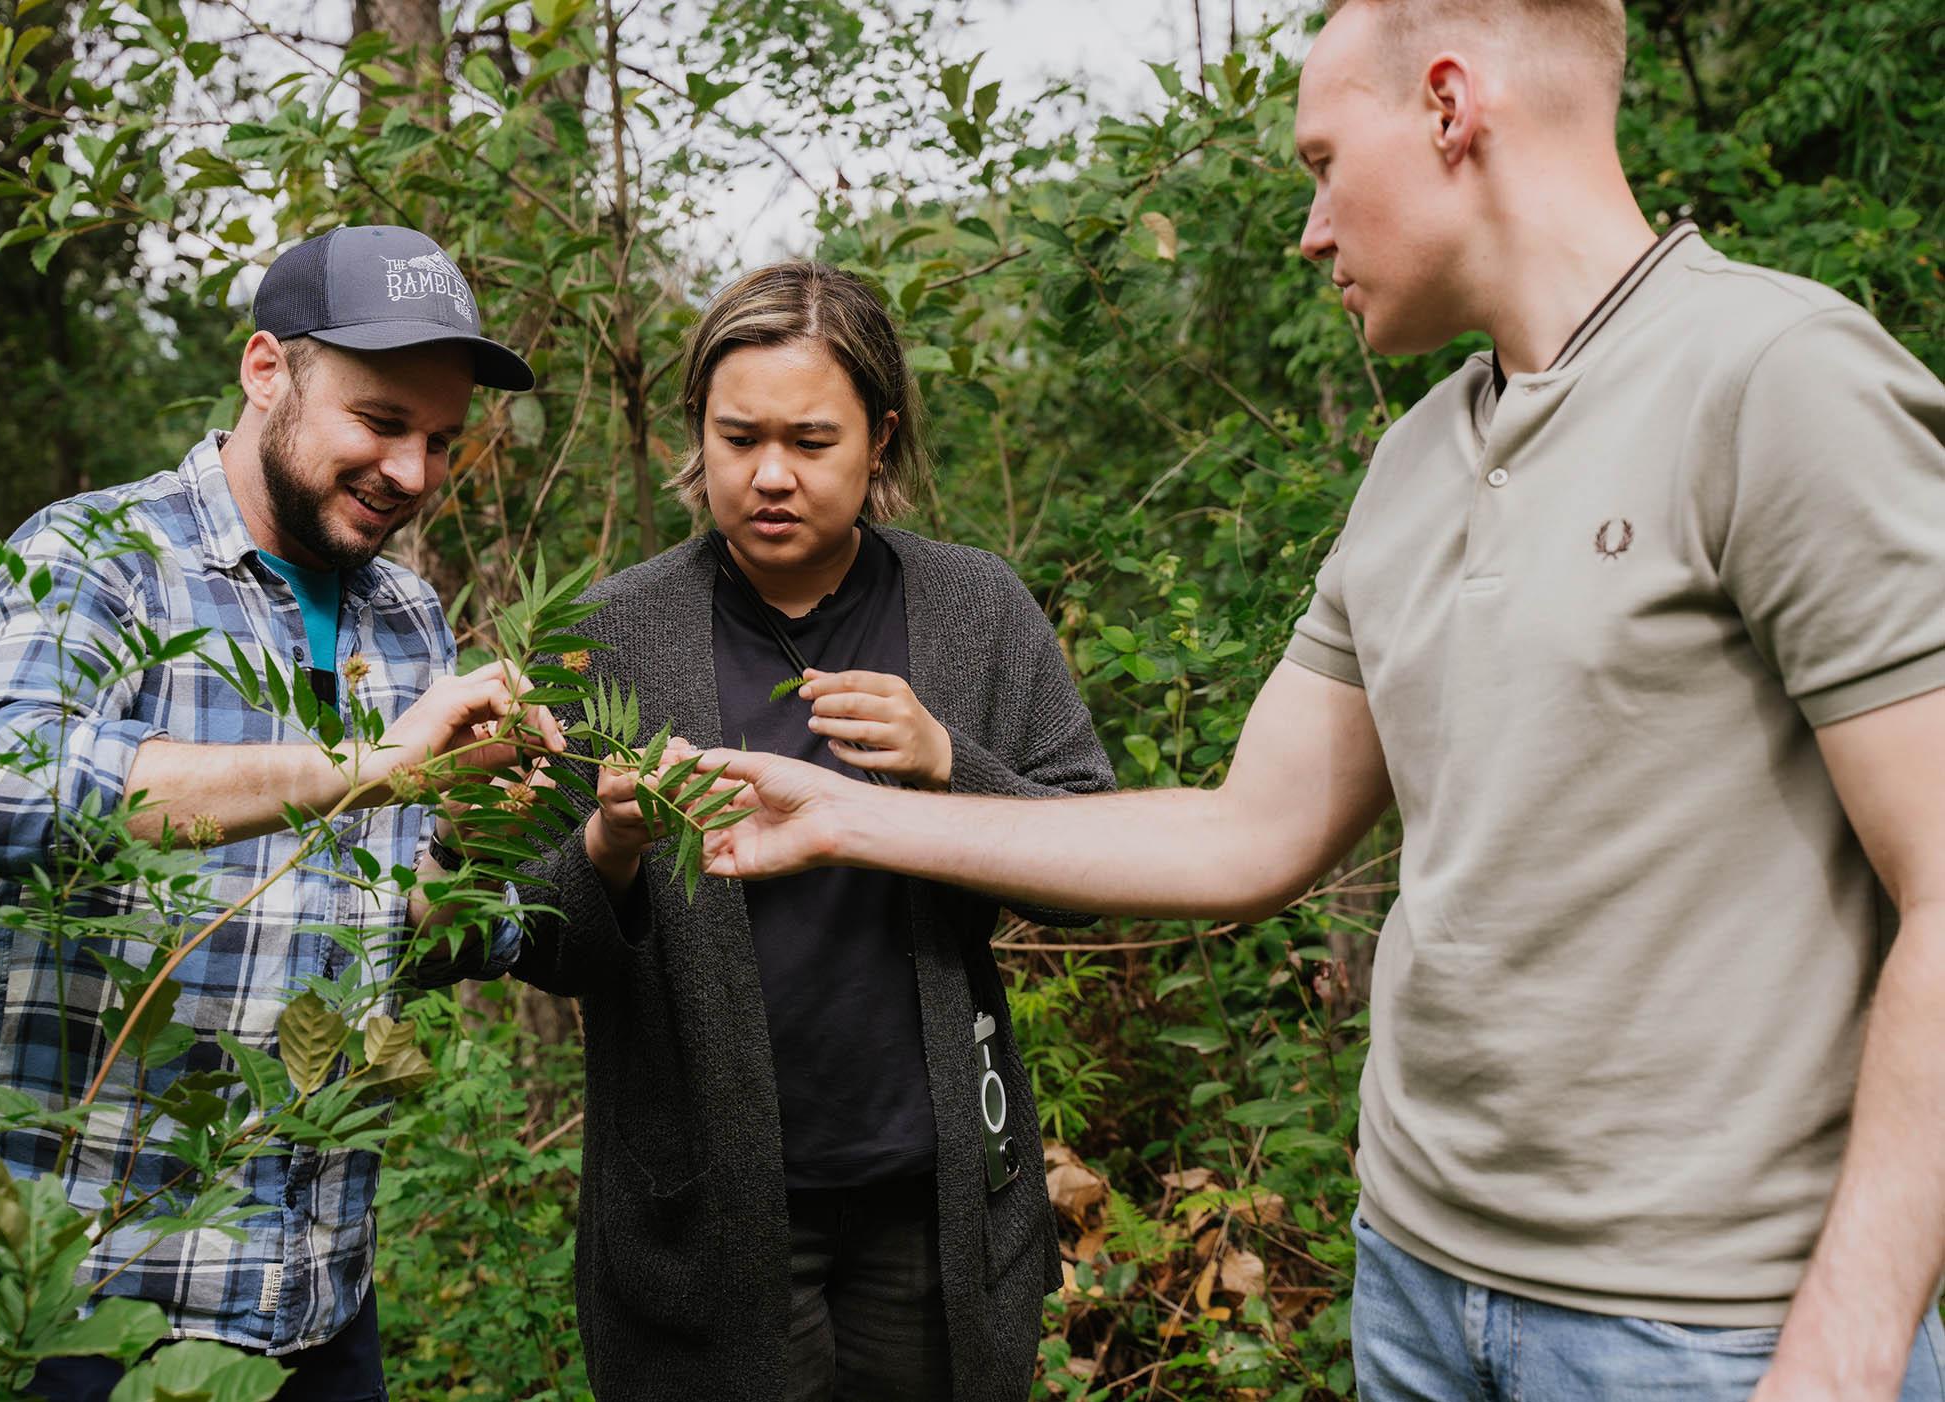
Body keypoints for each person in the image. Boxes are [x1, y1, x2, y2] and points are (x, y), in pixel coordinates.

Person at [693, 3, 1945, 1399]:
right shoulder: (1414, 457)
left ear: (1449, 107)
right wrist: (849, 811)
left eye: (1318, 159)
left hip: (1702, 1330)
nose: (1306, 226)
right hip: (1412, 1278)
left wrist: (1845, 1343)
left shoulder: (1777, 379)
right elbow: (1241, 836)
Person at [0, 225, 559, 1400]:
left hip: (314, 1296)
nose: (414, 474)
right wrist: (369, 762)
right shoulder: (98, 557)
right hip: (78, 1299)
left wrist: (475, 855)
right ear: (266, 371)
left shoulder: (408, 620)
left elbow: (387, 936)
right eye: (379, 423)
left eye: (438, 439)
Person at [483, 261, 1114, 1401]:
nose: (769, 475)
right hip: (703, 1208)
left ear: (879, 439)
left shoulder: (973, 609)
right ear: (698, 436)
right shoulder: (610, 635)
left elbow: (1092, 866)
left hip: (931, 1206)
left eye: (811, 441)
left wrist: (947, 762)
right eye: (738, 438)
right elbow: (534, 941)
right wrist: (607, 851)